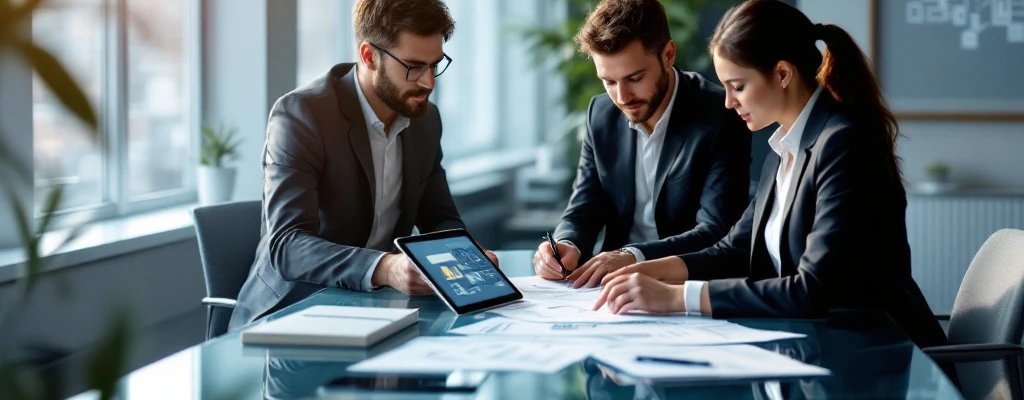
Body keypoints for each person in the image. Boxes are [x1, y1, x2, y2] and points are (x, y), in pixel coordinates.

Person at [594, 0, 947, 350]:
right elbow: (733, 250)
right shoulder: (786, 148)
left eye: (738, 86)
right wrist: (645, 268)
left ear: (782, 74)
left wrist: (676, 297)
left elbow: (813, 288)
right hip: (820, 346)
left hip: (878, 357)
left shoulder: (844, 145)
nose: (729, 103)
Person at [230, 0, 496, 330]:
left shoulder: (425, 120)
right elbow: (288, 246)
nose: (429, 83)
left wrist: (465, 254)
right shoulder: (302, 115)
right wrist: (386, 268)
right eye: (413, 67)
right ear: (369, 56)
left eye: (435, 65)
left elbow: (439, 217)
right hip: (293, 313)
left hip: (375, 311)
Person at [533, 0, 751, 289]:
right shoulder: (600, 114)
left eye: (634, 78)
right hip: (611, 288)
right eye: (608, 81)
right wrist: (566, 244)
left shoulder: (721, 114)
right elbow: (584, 206)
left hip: (685, 285)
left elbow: (716, 230)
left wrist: (633, 255)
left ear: (668, 54)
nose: (622, 96)